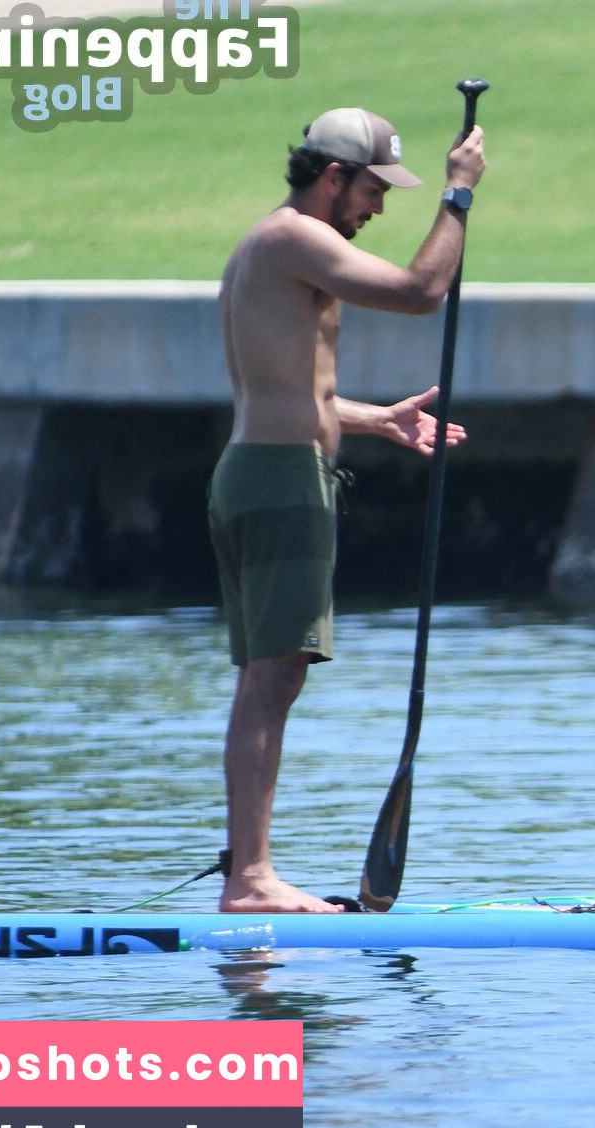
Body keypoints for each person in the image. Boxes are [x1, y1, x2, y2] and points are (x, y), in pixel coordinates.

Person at [210, 106, 485, 913]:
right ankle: (252, 880)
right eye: (371, 190)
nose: (377, 208)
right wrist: (458, 194)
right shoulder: (295, 236)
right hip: (279, 481)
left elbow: (292, 387)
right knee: (274, 676)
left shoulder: (272, 246)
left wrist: (373, 419)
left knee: (272, 676)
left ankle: (246, 872)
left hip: (262, 471)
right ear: (330, 177)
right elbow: (420, 290)